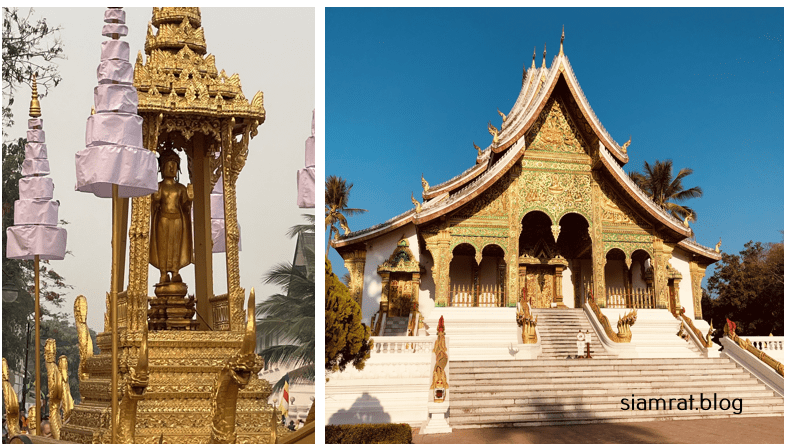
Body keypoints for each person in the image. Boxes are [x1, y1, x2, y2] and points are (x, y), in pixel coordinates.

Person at [149, 148, 193, 284]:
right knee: (163, 246)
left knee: (176, 246)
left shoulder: (180, 188)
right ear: (162, 168)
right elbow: (154, 201)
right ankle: (163, 272)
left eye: (174, 165)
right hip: (163, 218)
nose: (171, 167)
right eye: (168, 165)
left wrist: (190, 198)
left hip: (178, 219)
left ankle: (175, 271)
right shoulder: (159, 186)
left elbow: (185, 206)